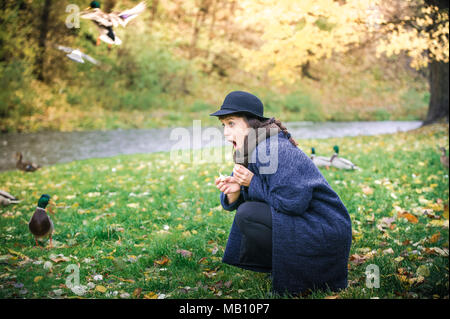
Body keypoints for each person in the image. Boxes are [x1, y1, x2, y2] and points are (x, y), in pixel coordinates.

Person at [210, 91, 352, 296]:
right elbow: (259, 194)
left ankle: (308, 274)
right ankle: (284, 265)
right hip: (309, 221)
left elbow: (293, 203)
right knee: (247, 211)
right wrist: (237, 190)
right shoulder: (250, 149)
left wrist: (251, 183)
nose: (225, 132)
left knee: (248, 214)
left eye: (231, 123)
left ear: (251, 123)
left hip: (324, 226)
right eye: (223, 125)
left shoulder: (273, 148)